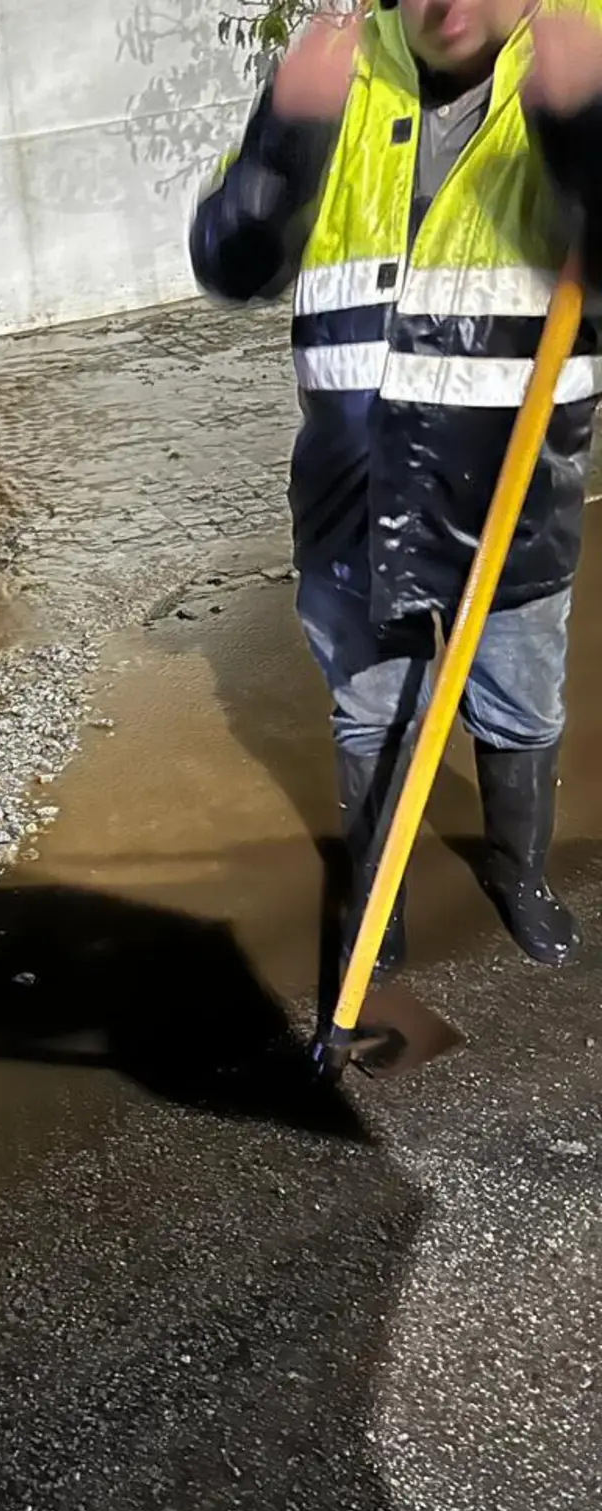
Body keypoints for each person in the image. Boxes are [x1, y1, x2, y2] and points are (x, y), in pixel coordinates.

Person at [190, 0, 602, 971]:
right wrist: (281, 136)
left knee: (521, 707)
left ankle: (518, 875)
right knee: (371, 714)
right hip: (355, 507)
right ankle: (378, 900)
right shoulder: (339, 74)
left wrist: (586, 129)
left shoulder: (584, 52)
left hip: (516, 504)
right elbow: (229, 264)